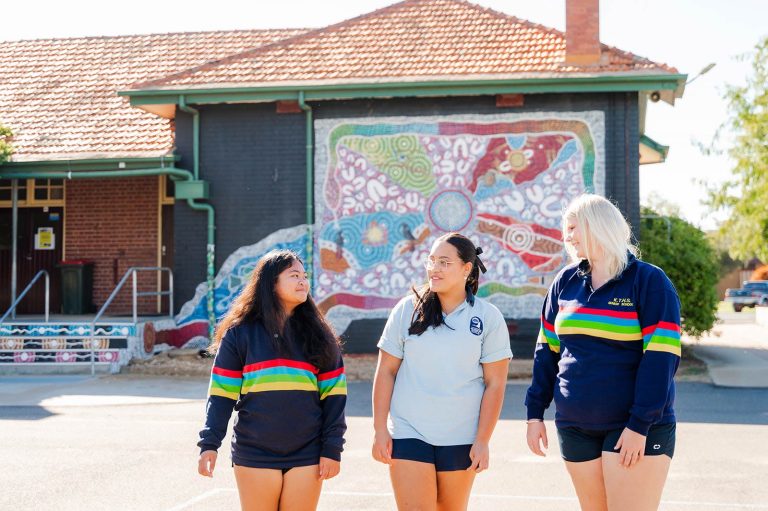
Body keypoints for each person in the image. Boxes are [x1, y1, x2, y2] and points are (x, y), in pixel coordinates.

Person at [525, 194, 681, 511]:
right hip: (574, 425)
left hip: (634, 427)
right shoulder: (565, 281)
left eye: (572, 228)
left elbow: (661, 358)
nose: (566, 236)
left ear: (597, 225)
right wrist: (534, 413)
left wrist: (639, 426)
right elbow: (547, 351)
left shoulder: (649, 281)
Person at [197, 249, 347, 511]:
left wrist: (332, 448)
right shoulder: (239, 334)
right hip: (254, 450)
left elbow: (334, 398)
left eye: (304, 275)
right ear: (271, 283)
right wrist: (209, 443)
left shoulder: (320, 336)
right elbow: (222, 395)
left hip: (308, 451)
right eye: (294, 275)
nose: (303, 281)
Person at [372, 232, 512, 511]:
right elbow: (386, 371)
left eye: (444, 262)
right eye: (432, 260)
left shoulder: (488, 317)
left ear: (466, 269)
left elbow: (495, 384)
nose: (434, 268)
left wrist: (483, 441)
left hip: (462, 437)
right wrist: (379, 430)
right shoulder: (406, 310)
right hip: (408, 432)